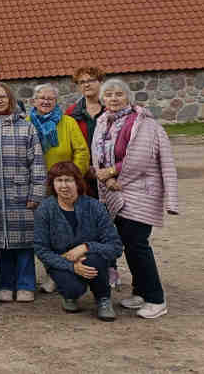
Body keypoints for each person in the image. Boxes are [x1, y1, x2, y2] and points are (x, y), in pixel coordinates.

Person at [92, 78, 179, 320]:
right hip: (115, 192)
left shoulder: (144, 124)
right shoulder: (103, 122)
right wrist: (107, 180)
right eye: (108, 95)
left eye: (118, 94)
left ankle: (156, 299)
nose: (113, 98)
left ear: (128, 97)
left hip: (141, 193)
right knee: (129, 245)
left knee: (138, 245)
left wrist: (110, 173)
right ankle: (140, 292)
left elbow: (140, 158)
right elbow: (97, 158)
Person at [34, 161, 123, 321]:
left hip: (92, 259)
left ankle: (103, 299)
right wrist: (72, 267)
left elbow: (115, 246)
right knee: (73, 288)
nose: (63, 186)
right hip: (62, 261)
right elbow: (41, 250)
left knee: (95, 259)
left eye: (68, 180)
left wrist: (86, 247)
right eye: (58, 181)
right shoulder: (45, 210)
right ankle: (70, 296)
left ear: (77, 182)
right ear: (52, 184)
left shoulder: (95, 206)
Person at [0, 83, 46, 303]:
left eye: (3, 97)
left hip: (21, 193)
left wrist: (36, 193)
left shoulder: (26, 127)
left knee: (24, 242)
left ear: (10, 99)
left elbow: (37, 162)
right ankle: (5, 284)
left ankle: (25, 284)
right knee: (0, 243)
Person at [30, 83, 90, 294]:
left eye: (50, 98)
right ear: (34, 101)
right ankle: (51, 271)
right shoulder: (26, 123)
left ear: (56, 101)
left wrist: (71, 178)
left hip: (64, 186)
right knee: (44, 235)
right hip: (37, 186)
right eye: (42, 98)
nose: (46, 101)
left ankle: (63, 273)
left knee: (64, 233)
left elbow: (82, 151)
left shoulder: (68, 122)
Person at [65, 67, 106, 149]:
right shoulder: (71, 112)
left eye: (91, 80)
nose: (86, 85)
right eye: (82, 82)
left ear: (100, 82)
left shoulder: (111, 109)